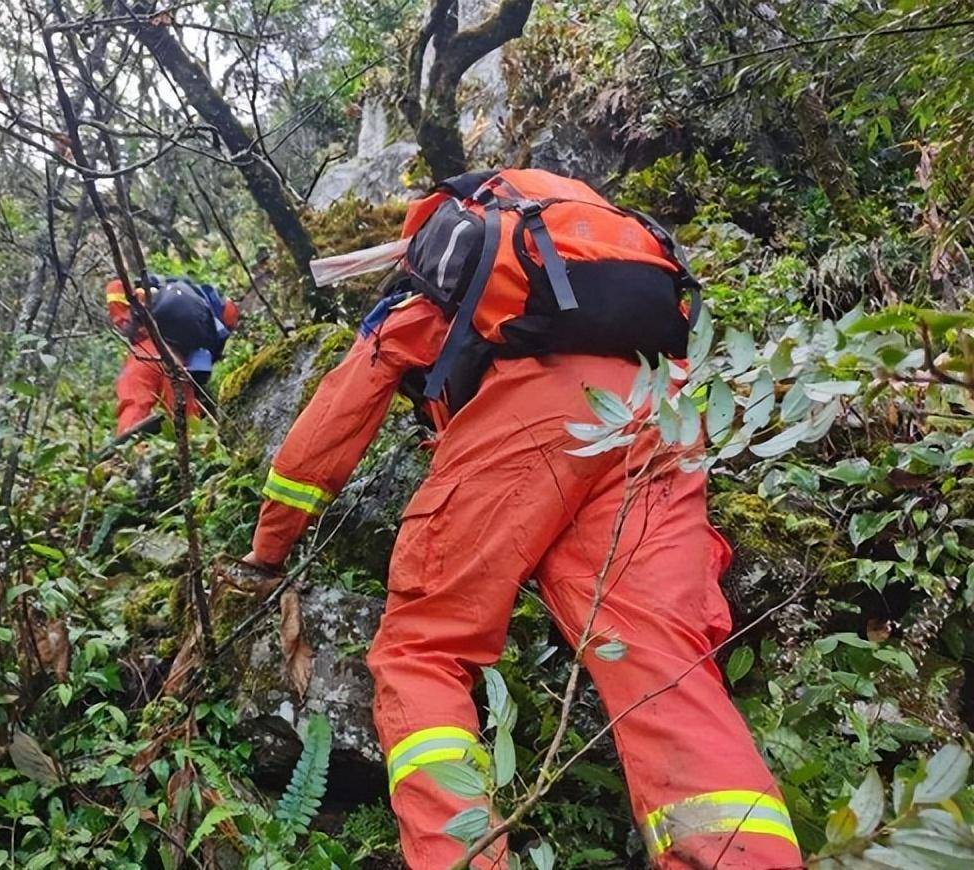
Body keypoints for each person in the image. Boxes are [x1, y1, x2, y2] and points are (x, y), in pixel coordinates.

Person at [243, 169, 802, 869]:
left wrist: (268, 551)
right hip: (661, 409)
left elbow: (321, 439)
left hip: (538, 415)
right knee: (663, 665)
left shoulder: (429, 302)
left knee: (423, 649)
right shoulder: (597, 274)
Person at [106, 274, 239, 438]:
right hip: (174, 358)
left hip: (150, 353)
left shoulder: (162, 292)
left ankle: (128, 448)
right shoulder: (205, 328)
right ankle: (199, 450)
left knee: (135, 396)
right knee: (185, 411)